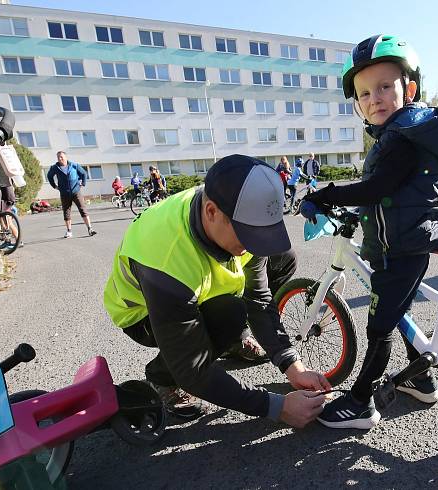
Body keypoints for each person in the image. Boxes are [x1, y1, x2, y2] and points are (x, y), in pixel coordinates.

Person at [302, 34, 438, 429]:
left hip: (402, 248)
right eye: (363, 93)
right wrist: (361, 212)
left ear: (408, 90)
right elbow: (390, 194)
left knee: (381, 326)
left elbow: (379, 187)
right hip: (408, 239)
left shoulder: (400, 139)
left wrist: (326, 195)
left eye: (384, 87)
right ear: (356, 103)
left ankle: (361, 403)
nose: (374, 98)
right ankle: (421, 378)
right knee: (400, 309)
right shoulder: (403, 133)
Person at [103, 154, 329, 425]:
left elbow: (258, 299)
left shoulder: (233, 208)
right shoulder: (166, 262)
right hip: (143, 313)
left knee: (281, 257)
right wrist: (276, 406)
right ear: (211, 212)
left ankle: (232, 341)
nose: (253, 244)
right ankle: (161, 377)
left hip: (196, 288)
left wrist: (292, 365)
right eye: (248, 234)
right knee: (231, 314)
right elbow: (194, 369)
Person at [47, 151, 96, 238]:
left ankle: (90, 229)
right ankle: (69, 231)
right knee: (66, 212)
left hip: (76, 192)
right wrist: (55, 186)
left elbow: (84, 173)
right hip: (64, 193)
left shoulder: (74, 165)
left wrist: (83, 183)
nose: (60, 158)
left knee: (83, 210)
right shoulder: (55, 167)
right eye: (58, 157)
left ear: (66, 157)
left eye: (61, 157)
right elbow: (49, 176)